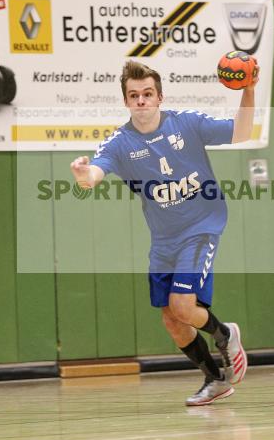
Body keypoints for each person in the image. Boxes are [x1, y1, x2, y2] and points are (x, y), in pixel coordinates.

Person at [71, 60, 253, 405]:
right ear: (126, 101)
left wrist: (249, 90)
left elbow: (242, 132)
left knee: (183, 305)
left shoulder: (187, 123)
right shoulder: (120, 143)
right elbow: (93, 175)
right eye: (134, 95)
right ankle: (215, 380)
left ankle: (225, 335)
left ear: (159, 97)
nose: (141, 100)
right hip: (164, 239)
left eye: (147, 93)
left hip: (201, 226)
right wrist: (83, 174)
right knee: (172, 320)